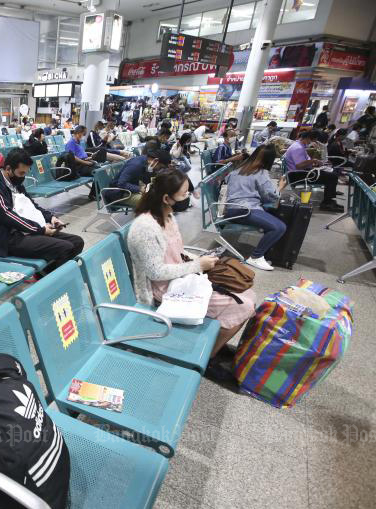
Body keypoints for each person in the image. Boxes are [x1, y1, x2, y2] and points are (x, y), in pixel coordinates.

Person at [126, 168, 256, 380]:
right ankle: (207, 358)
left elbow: (177, 251)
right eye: (184, 194)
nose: (189, 197)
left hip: (180, 279)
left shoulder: (167, 216)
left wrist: (199, 261)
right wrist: (197, 266)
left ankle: (217, 341)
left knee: (249, 295)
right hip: (163, 290)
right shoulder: (145, 228)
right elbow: (155, 272)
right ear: (167, 198)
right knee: (243, 305)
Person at [0, 148, 84, 273]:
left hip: (28, 231)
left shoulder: (16, 184)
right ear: (8, 169)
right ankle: (51, 282)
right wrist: (40, 230)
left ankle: (45, 275)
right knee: (65, 247)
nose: (23, 177)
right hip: (10, 238)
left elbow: (33, 206)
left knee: (77, 242)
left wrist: (51, 218)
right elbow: (7, 215)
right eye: (21, 173)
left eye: (25, 173)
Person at [223, 145, 288, 271]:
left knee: (272, 220)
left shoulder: (237, 170)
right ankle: (256, 257)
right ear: (270, 160)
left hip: (231, 210)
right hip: (244, 210)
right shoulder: (261, 173)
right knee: (279, 227)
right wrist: (280, 187)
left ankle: (261, 252)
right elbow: (271, 197)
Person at [284, 129, 342, 212]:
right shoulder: (298, 148)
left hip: (301, 172)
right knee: (332, 177)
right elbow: (299, 165)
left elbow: (302, 162)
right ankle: (327, 203)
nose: (313, 142)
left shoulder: (300, 146)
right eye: (312, 140)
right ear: (307, 138)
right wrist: (313, 161)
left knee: (332, 173)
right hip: (298, 175)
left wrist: (314, 162)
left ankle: (329, 200)